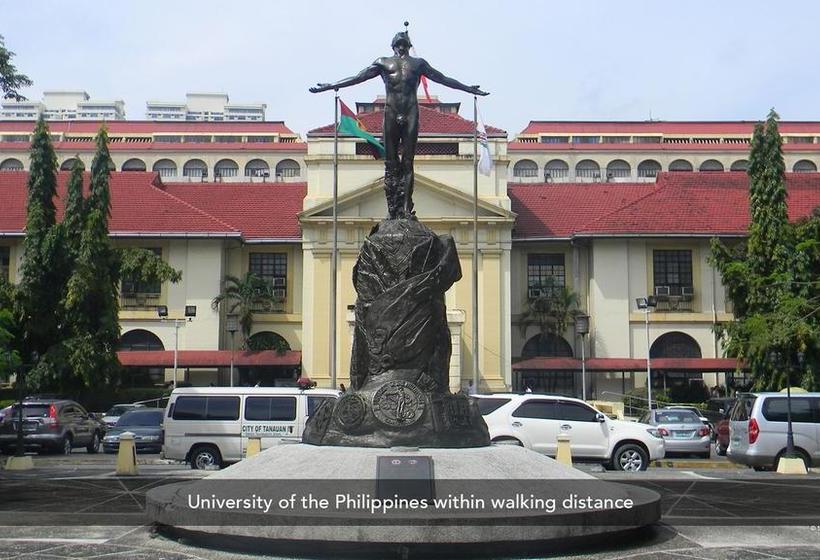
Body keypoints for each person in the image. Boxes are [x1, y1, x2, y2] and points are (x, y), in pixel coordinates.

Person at [310, 31, 488, 219]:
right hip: (391, 113)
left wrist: (468, 88)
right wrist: (331, 85)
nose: (401, 46)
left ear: (409, 45)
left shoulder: (418, 64)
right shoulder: (383, 62)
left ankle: (405, 208)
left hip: (411, 112)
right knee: (391, 163)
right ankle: (392, 210)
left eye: (404, 43)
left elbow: (442, 78)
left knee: (408, 163)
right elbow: (358, 77)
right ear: (393, 46)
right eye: (399, 43)